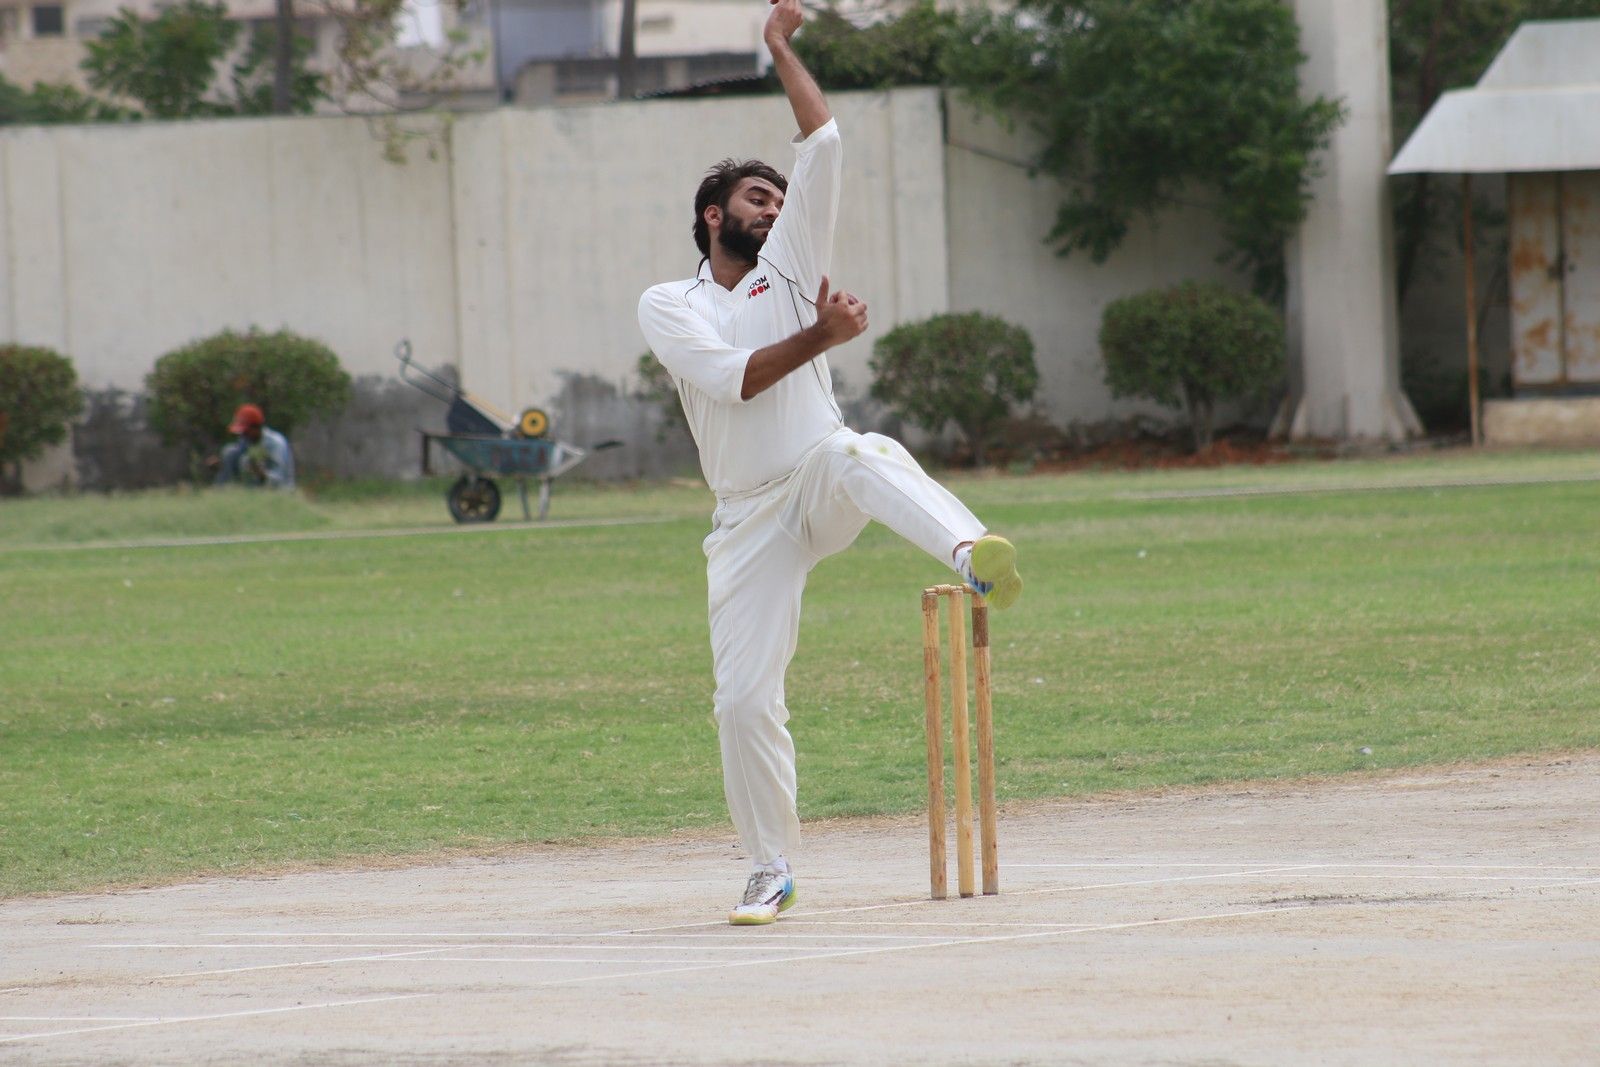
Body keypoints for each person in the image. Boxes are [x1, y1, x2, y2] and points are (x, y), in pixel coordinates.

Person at [636, 0, 1023, 927]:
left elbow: (825, 139)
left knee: (856, 449)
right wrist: (823, 334)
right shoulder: (670, 304)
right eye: (755, 200)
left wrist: (778, 45)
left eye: (779, 200)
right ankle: (769, 866)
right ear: (714, 216)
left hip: (814, 478)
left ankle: (970, 553)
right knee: (741, 701)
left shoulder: (791, 258)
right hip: (745, 522)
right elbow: (735, 381)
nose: (773, 210)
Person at [214, 403, 295, 489]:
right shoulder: (246, 441)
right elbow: (234, 459)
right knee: (229, 451)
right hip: (253, 490)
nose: (243, 435)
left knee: (245, 460)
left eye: (246, 432)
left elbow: (281, 478)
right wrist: (222, 465)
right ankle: (221, 491)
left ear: (256, 428)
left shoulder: (275, 443)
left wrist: (262, 474)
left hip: (280, 491)